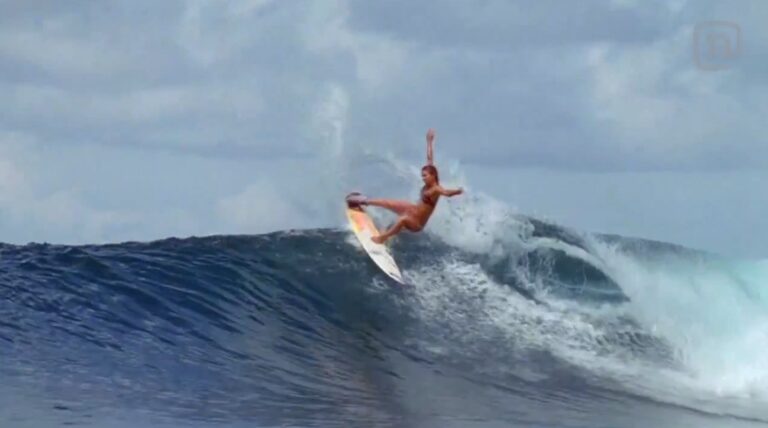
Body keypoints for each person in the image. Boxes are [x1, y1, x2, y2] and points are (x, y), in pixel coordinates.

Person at [346, 128, 463, 244]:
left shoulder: (436, 189)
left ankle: (382, 238)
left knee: (402, 220)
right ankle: (363, 201)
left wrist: (457, 191)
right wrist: (429, 142)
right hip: (413, 210)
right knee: (388, 203)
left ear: (433, 176)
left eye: (425, 176)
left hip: (417, 223)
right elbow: (429, 158)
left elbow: (446, 193)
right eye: (422, 176)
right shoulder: (429, 177)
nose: (423, 178)